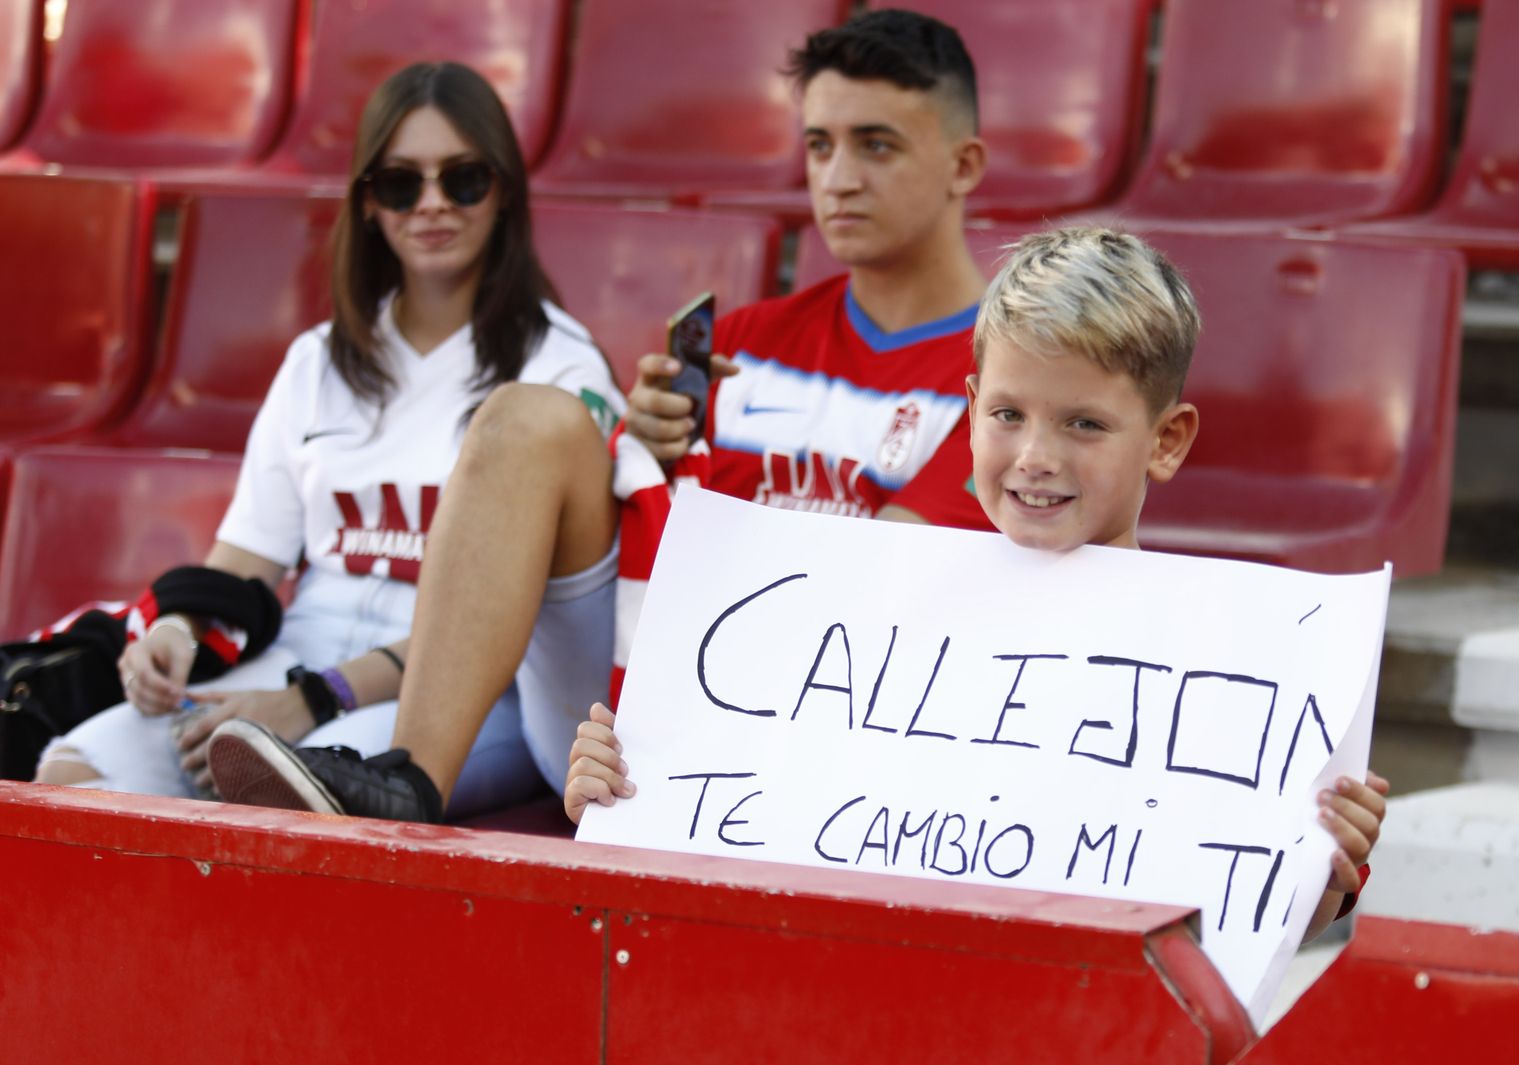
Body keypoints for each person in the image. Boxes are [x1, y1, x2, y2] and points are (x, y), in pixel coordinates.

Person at [209, 8, 1000, 821]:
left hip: (823, 734)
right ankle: (410, 780)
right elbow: (623, 553)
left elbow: (877, 591)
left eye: (877, 144)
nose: (838, 177)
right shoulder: (737, 341)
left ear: (964, 164)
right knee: (528, 419)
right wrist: (640, 464)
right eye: (819, 145)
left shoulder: (1007, 378)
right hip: (618, 724)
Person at [565, 226, 1389, 942]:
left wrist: (1317, 873)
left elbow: (1230, 922)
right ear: (969, 412)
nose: (1036, 455)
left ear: (1167, 440)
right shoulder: (853, 629)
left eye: (1085, 423)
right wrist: (617, 794)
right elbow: (748, 826)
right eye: (1007, 415)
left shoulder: (1228, 665)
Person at [36, 61, 622, 820]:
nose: (432, 204)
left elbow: (520, 627)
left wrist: (315, 700)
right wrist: (178, 631)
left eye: (464, 178)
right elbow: (246, 559)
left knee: (305, 797)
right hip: (295, 662)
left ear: (504, 189)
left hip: (462, 693)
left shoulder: (561, 370)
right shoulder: (318, 358)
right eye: (401, 184)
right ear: (369, 203)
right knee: (66, 775)